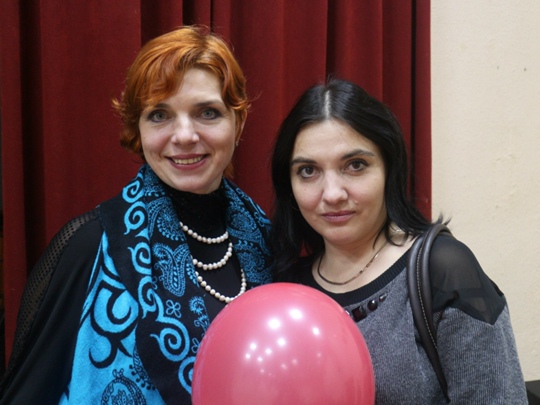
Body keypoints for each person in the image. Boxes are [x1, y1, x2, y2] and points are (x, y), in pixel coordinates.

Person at [0, 26, 273, 404]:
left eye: (207, 113)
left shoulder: (270, 243)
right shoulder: (86, 247)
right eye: (160, 115)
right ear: (138, 130)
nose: (184, 136)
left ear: (238, 123)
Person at [270, 78, 527, 403]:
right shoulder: (286, 292)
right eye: (308, 171)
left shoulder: (443, 272)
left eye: (355, 165)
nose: (332, 194)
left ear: (389, 169)